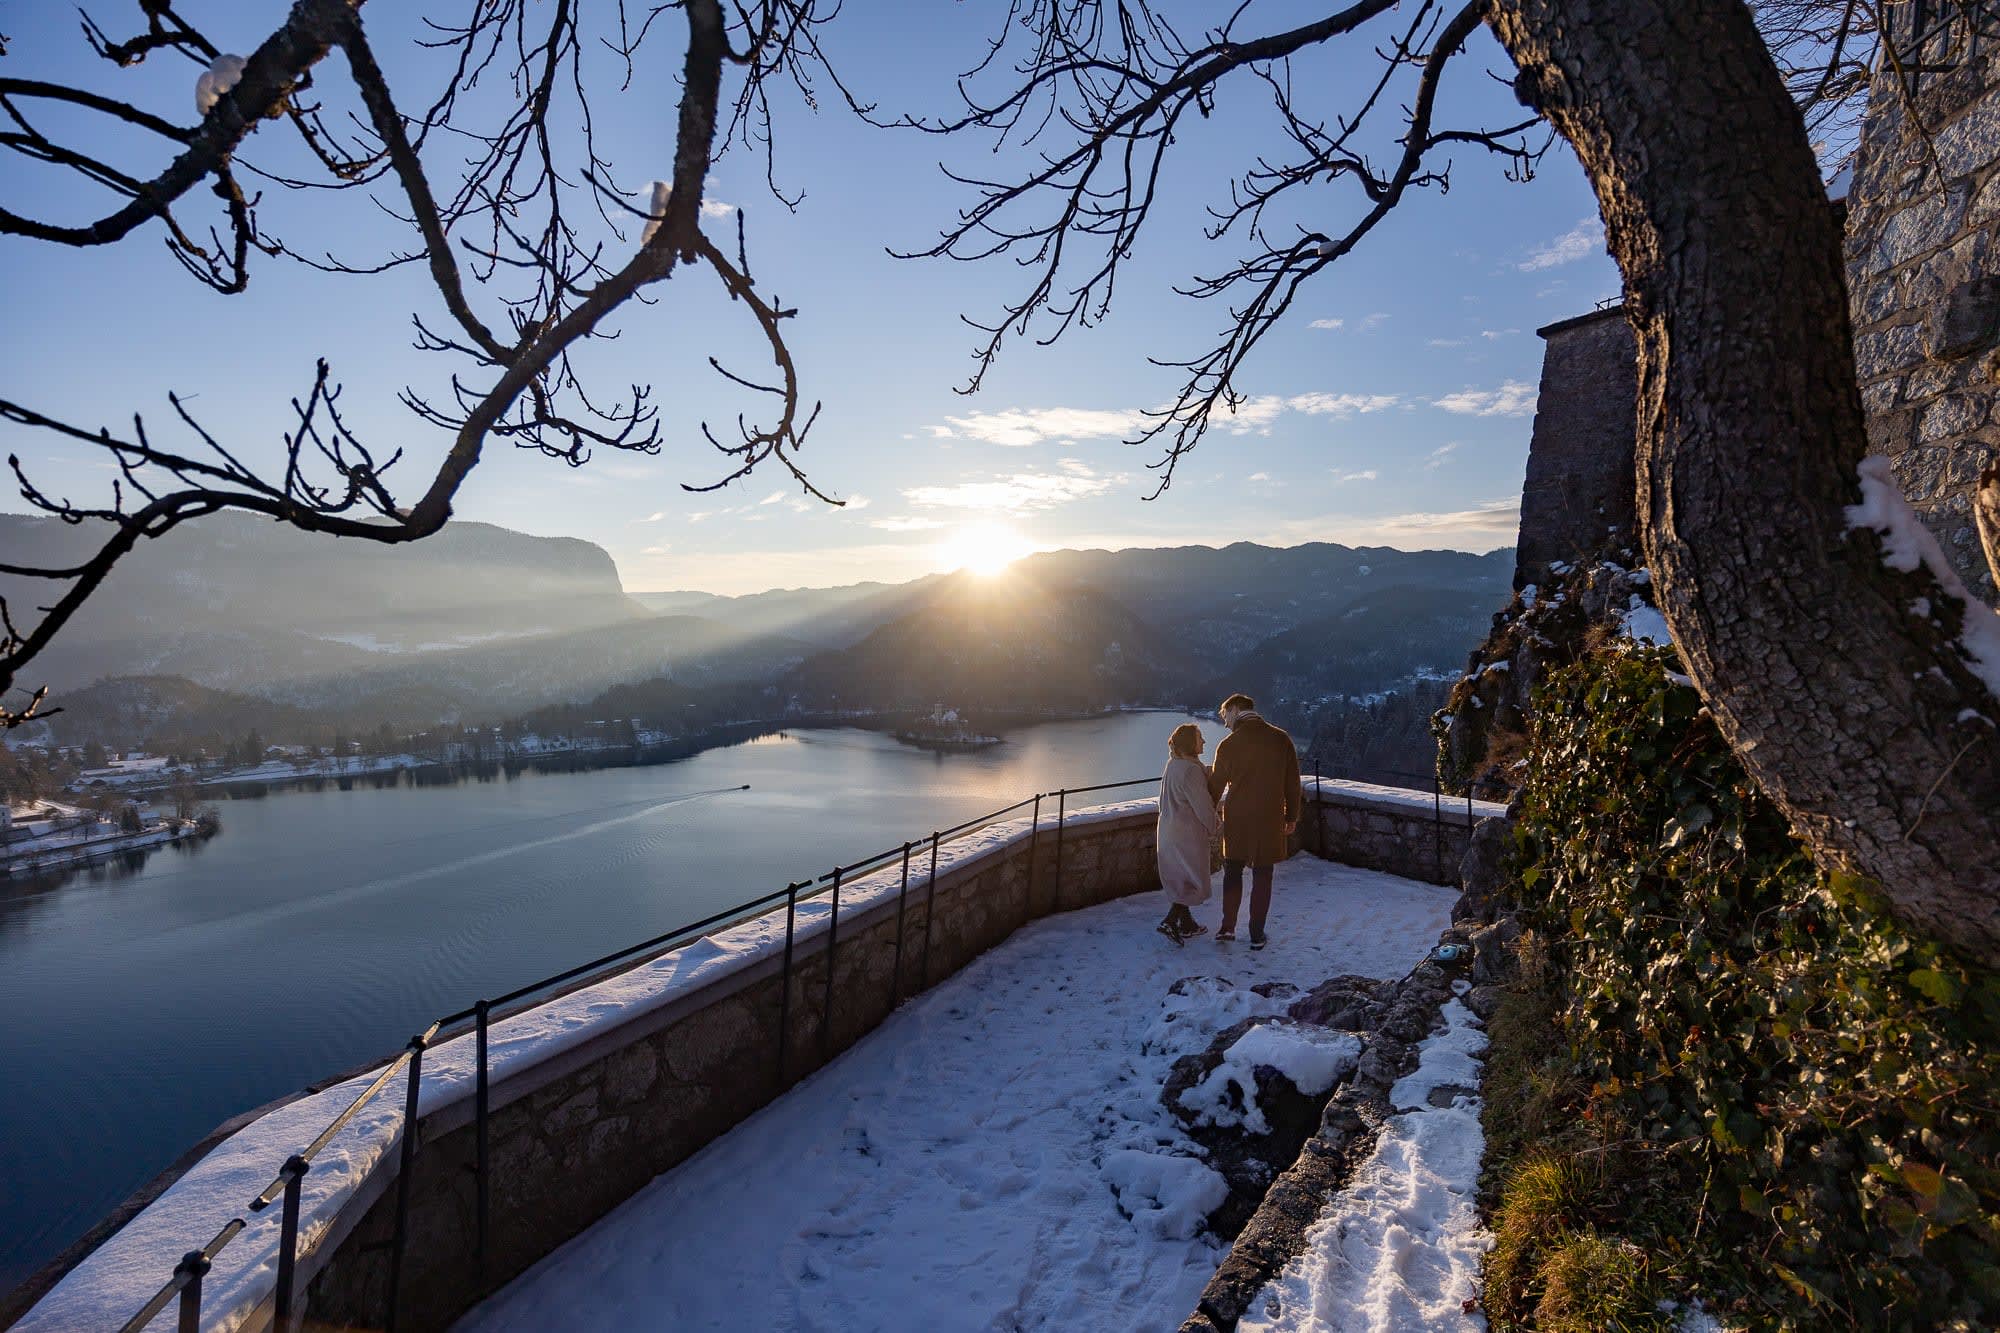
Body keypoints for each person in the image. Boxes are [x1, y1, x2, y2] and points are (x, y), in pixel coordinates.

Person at [1207, 692, 1300, 950]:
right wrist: (1291, 816)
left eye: (1224, 714)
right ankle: (1257, 934)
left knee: (1233, 872)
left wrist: (1206, 814)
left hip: (1238, 817)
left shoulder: (1228, 745)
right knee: (1263, 874)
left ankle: (1227, 927)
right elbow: (1292, 784)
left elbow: (1215, 788)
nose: (1224, 721)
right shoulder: (1281, 739)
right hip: (1270, 817)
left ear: (1236, 709)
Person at [1155, 722, 1218, 944]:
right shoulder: (1190, 770)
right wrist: (1214, 827)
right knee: (1192, 878)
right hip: (1187, 834)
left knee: (1181, 878)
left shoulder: (1174, 764)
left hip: (1169, 830)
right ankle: (1170, 921)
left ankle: (1187, 924)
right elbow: (1202, 805)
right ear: (1190, 743)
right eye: (1200, 738)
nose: (1204, 742)